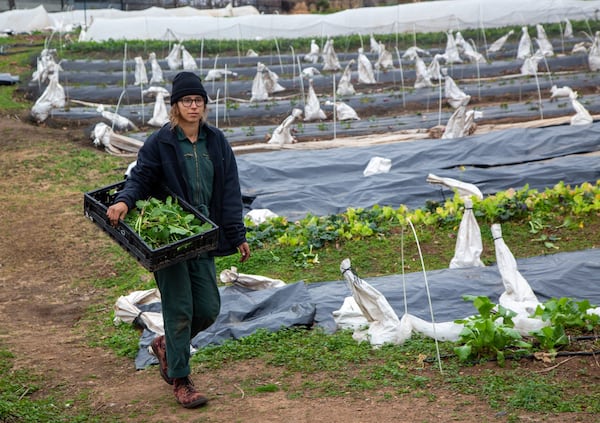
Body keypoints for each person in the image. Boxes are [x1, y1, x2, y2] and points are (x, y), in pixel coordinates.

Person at [106, 71, 250, 409]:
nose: (194, 106)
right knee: (180, 308)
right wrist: (125, 200)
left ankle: (167, 348)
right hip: (169, 239)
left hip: (203, 236)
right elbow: (140, 177)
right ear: (175, 105)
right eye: (187, 100)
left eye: (199, 100)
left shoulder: (216, 141)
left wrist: (237, 233)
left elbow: (230, 190)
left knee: (209, 308)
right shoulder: (162, 142)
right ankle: (182, 381)